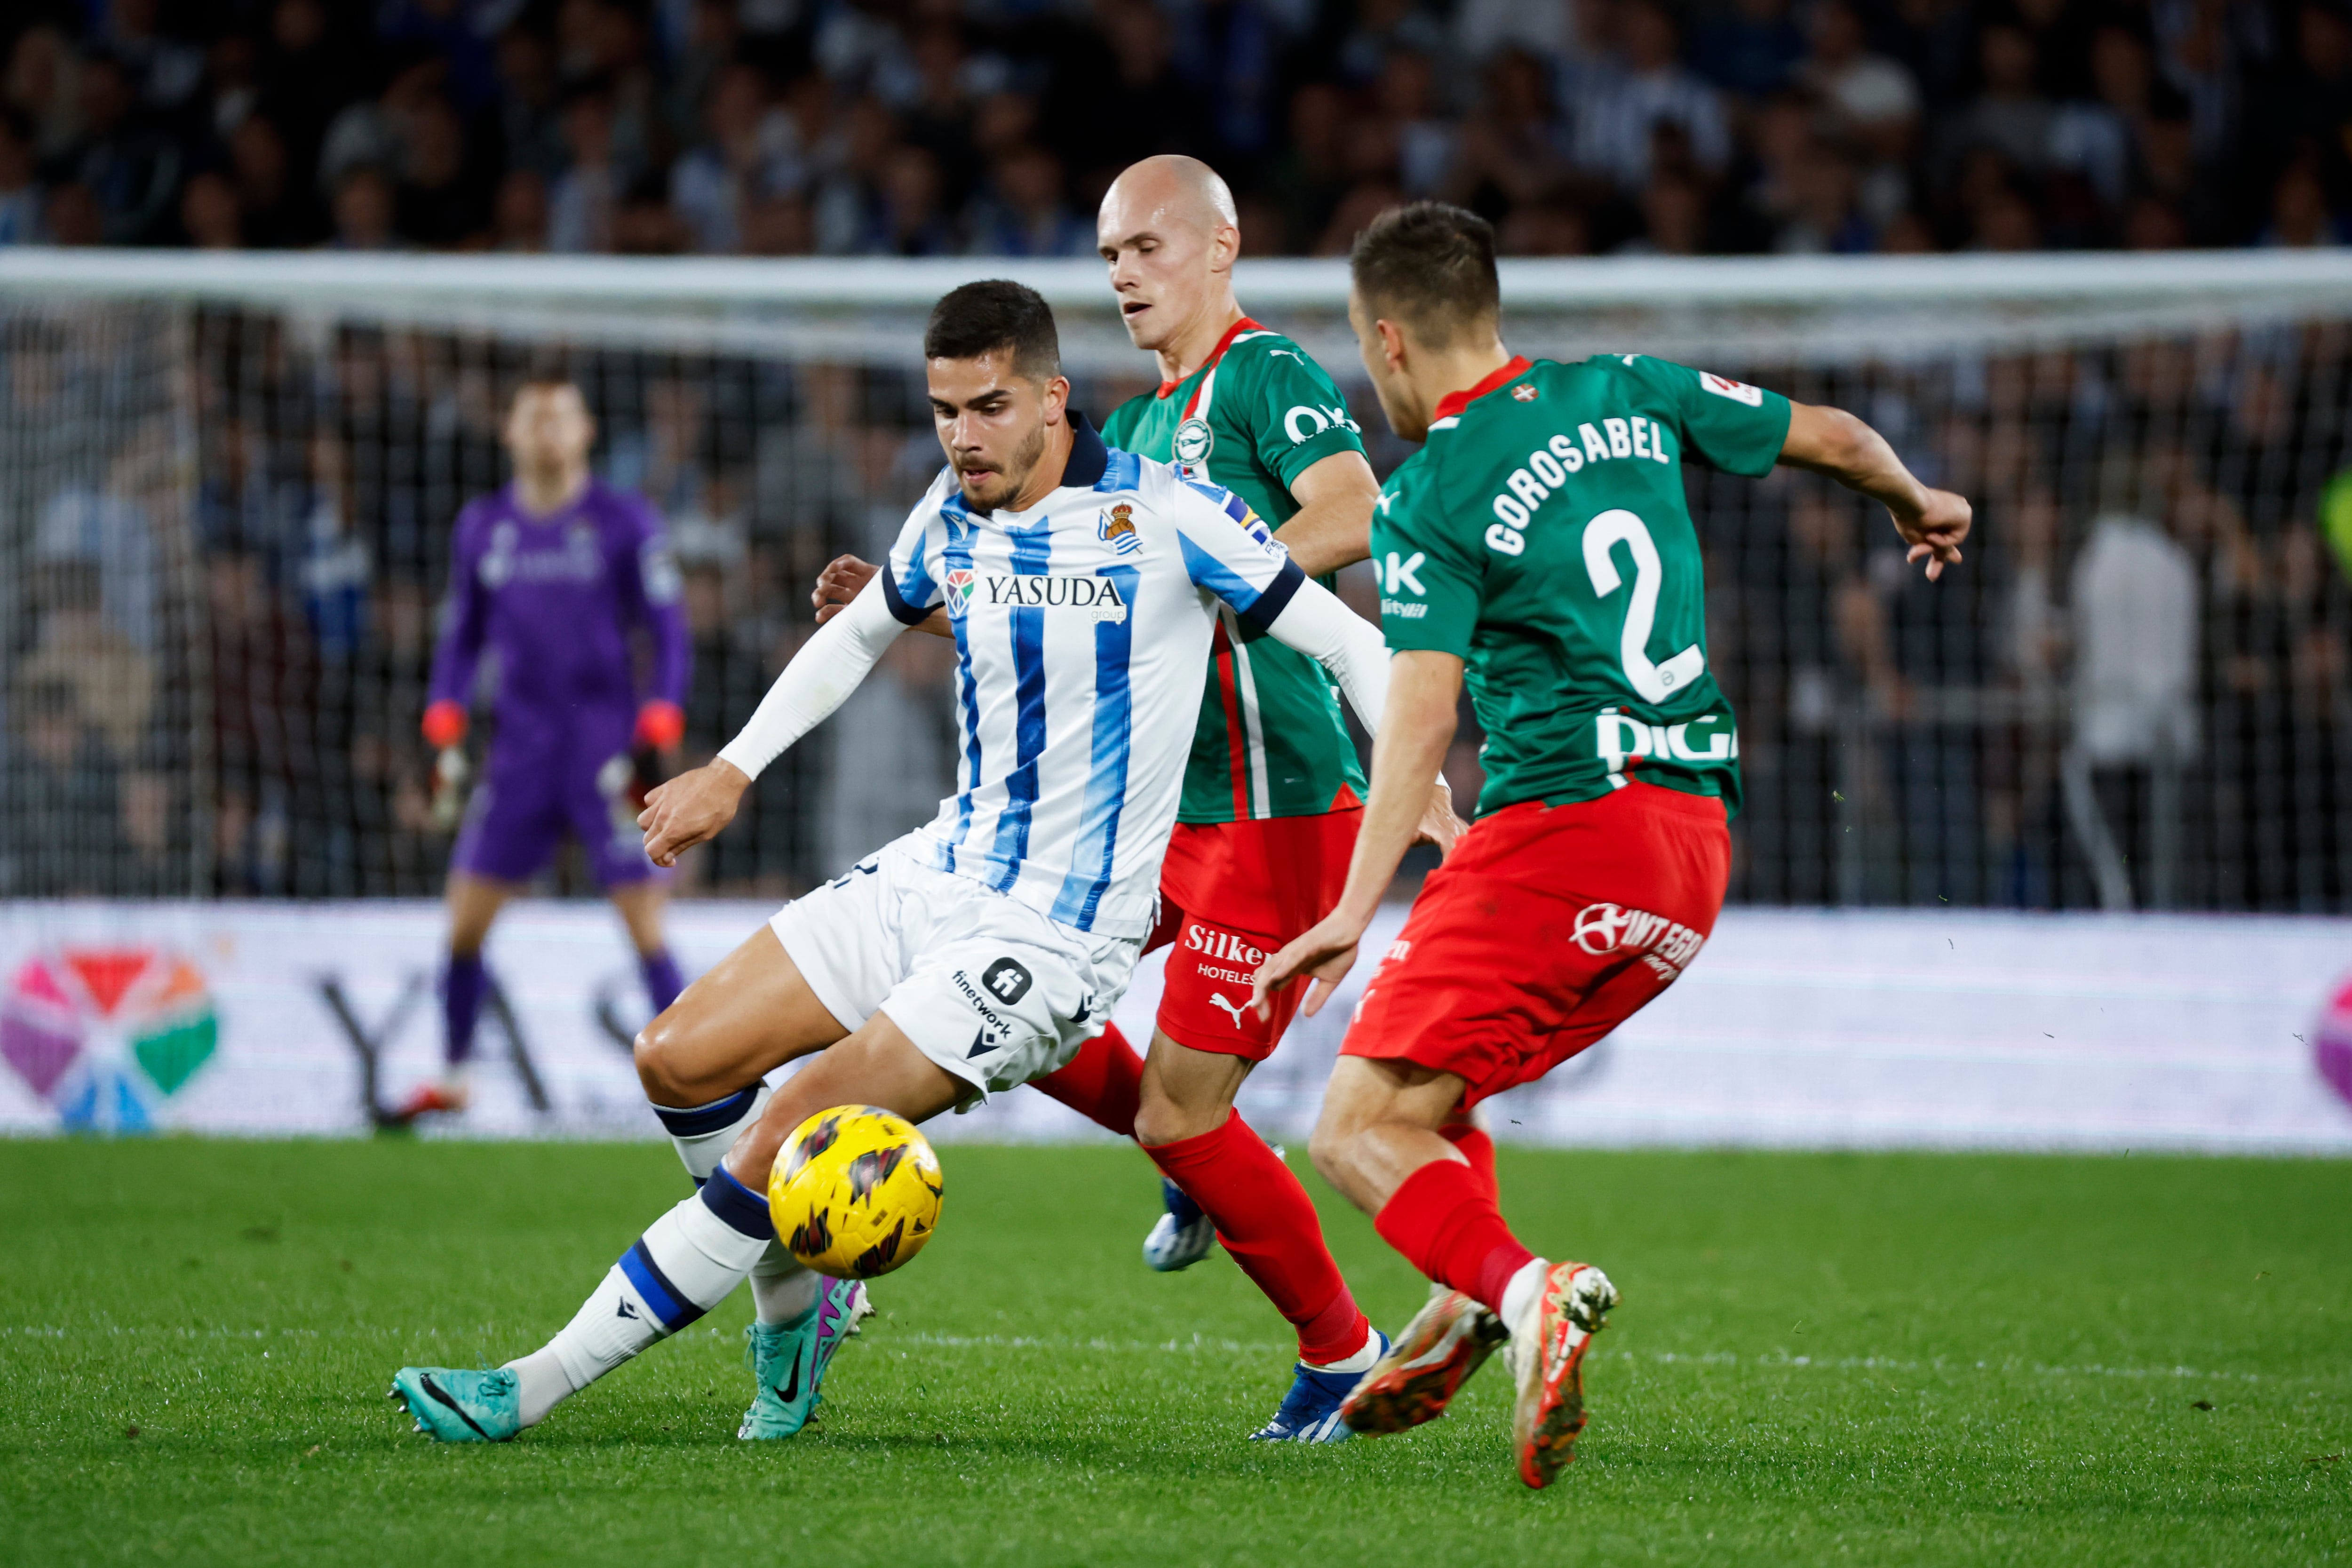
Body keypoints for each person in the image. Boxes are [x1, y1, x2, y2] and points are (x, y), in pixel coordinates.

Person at [389, 280, 1427, 1445]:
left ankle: (527, 1385)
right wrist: (733, 768)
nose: (964, 437)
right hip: (939, 870)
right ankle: (803, 1309)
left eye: (988, 408)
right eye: (944, 411)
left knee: (790, 1123)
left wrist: (1413, 784)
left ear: (1051, 397)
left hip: (1053, 938)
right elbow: (863, 629)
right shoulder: (946, 506)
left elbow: (1349, 639)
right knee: (676, 1059)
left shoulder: (1171, 516)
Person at [1253, 202, 1970, 1488]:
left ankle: (1527, 1292)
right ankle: (1467, 1299)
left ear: (1390, 341)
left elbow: (1420, 710)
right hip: (1694, 853)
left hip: (1566, 831)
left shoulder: (1432, 493)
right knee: (1432, 1092)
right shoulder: (1629, 390)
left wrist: (1359, 902)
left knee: (1353, 1124)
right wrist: (1921, 501)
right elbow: (1840, 437)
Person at [810, 153, 1460, 1444]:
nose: (1123, 273)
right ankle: (1211, 1173)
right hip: (1162, 817)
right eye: (1109, 254)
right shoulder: (1142, 428)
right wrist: (916, 611)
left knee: (1176, 1105)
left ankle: (1336, 1348)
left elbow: (1356, 506)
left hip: (1277, 812)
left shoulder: (1266, 377)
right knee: (1019, 990)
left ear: (1221, 249)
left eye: (1149, 248)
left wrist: (1225, 568)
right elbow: (1078, 617)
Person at [399, 378, 691, 1122]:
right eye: (534, 417)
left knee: (643, 921)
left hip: (604, 750)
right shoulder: (484, 527)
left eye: (561, 415)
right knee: (464, 920)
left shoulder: (624, 521)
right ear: (510, 433)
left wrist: (660, 718)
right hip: (520, 751)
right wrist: (444, 716)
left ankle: (702, 1075)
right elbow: (461, 634)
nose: (548, 430)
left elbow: (669, 631)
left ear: (587, 430)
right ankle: (454, 1076)